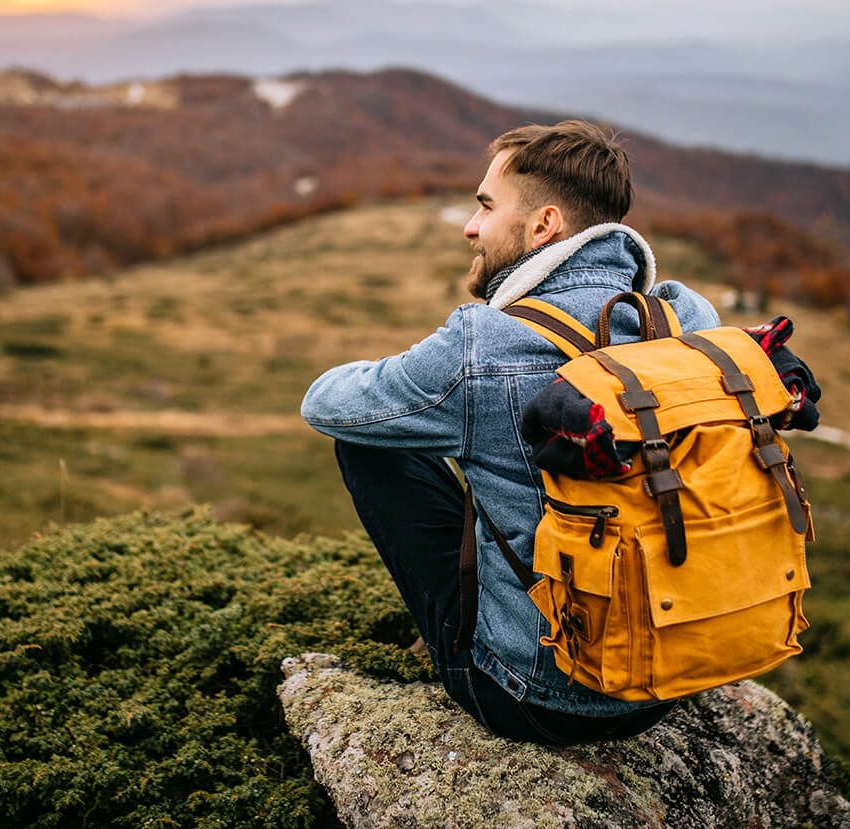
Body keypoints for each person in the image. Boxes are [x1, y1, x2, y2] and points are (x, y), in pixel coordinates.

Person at [300, 120, 726, 746]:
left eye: (486, 207)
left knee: (368, 442)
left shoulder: (485, 345)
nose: (471, 227)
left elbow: (327, 404)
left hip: (536, 699)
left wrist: (420, 377)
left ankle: (494, 643)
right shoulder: (685, 318)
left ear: (543, 225)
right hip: (674, 681)